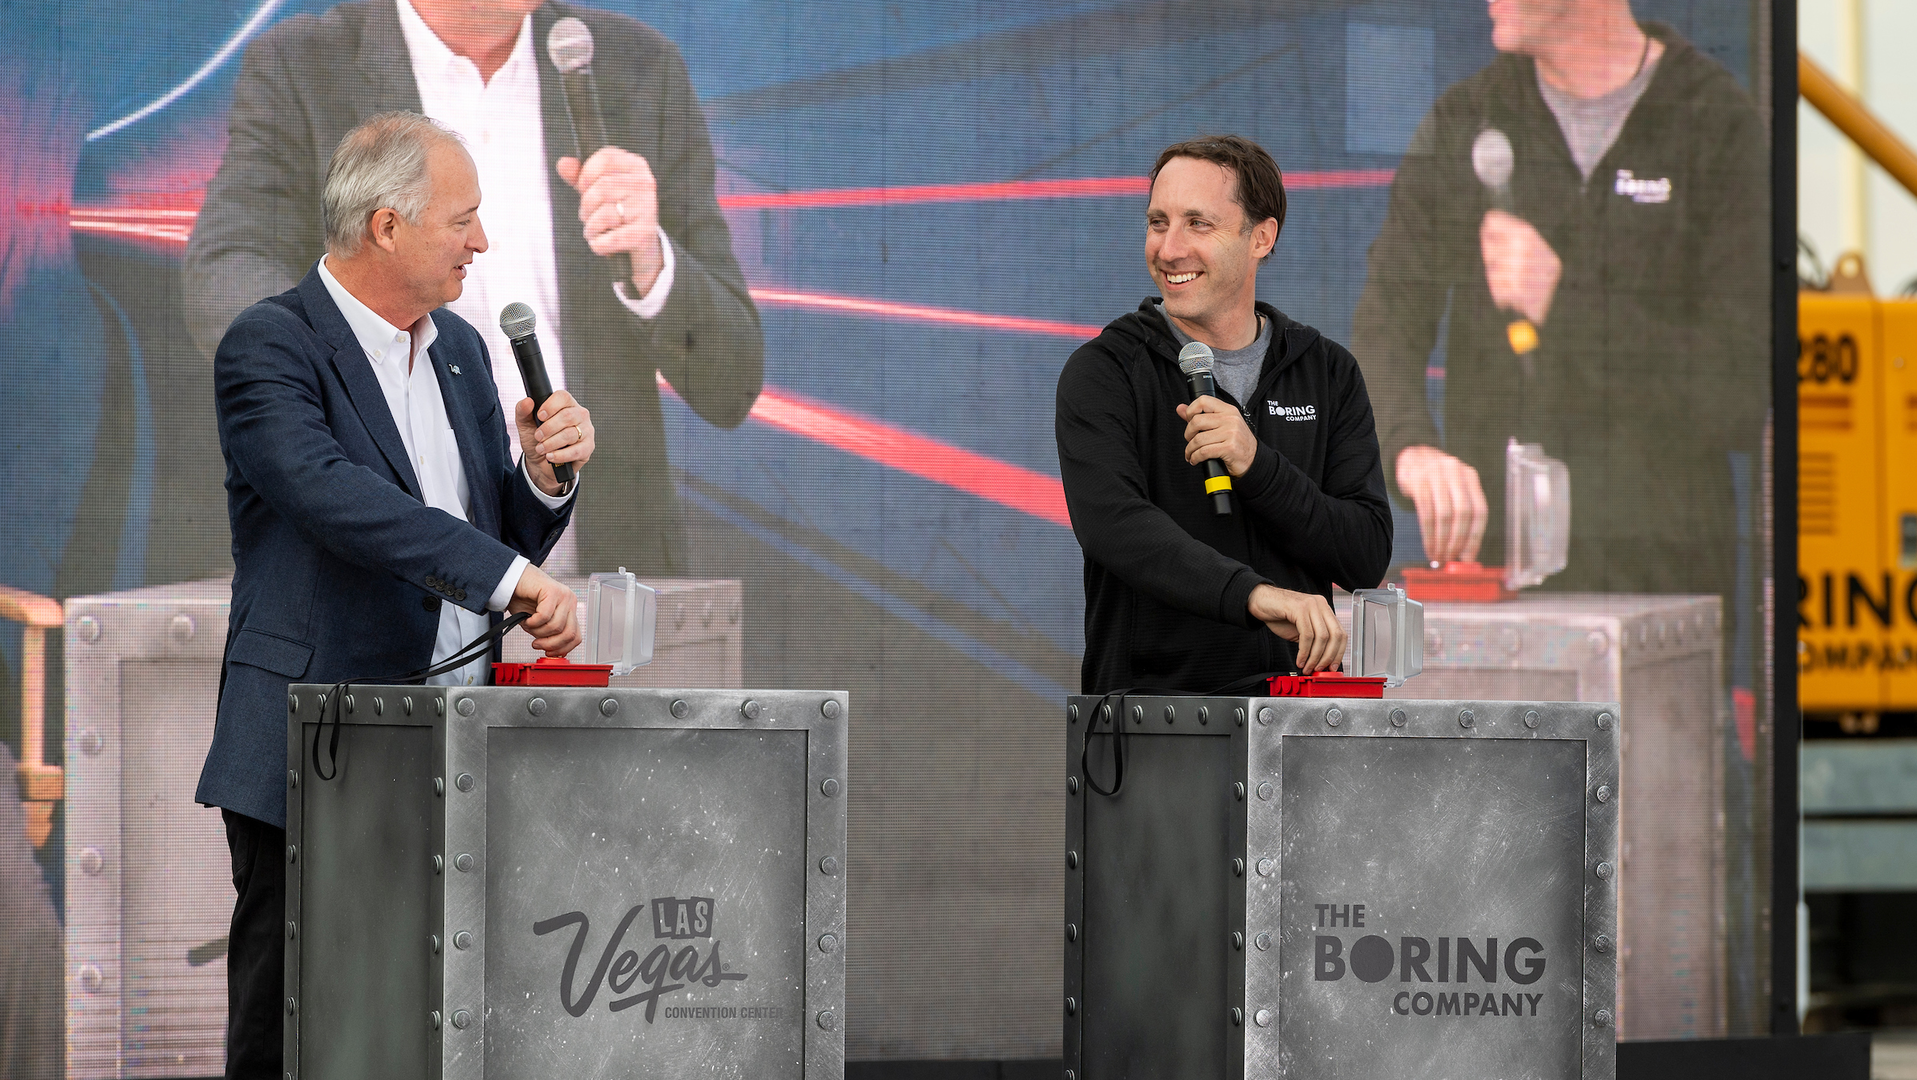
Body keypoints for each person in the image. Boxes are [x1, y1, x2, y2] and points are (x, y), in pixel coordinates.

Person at [194, 112, 593, 1078]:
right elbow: (341, 501)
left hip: (457, 736)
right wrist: (512, 576)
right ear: (386, 226)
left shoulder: (458, 346)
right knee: (296, 1028)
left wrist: (542, 481)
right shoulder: (270, 346)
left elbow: (484, 529)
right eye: (463, 220)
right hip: (320, 741)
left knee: (443, 1021)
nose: (482, 241)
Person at [184, 0, 763, 577]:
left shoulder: (636, 66)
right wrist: (347, 380)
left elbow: (729, 381)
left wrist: (650, 260)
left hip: (602, 600)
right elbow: (228, 267)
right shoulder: (305, 64)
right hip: (377, 581)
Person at [1352, 0, 1768, 593]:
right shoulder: (1466, 118)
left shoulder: (1713, 120)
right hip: (1500, 585)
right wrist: (1408, 446)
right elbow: (1386, 319)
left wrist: (1562, 301)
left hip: (1662, 593)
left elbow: (1738, 394)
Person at [1056, 135, 1393, 694]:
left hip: (1297, 723)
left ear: (1261, 237)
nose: (1169, 249)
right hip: (1151, 731)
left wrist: (1258, 466)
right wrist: (1255, 597)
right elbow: (1116, 529)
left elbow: (1364, 553)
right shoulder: (1106, 371)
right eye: (1158, 222)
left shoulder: (1328, 373)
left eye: (1199, 224)